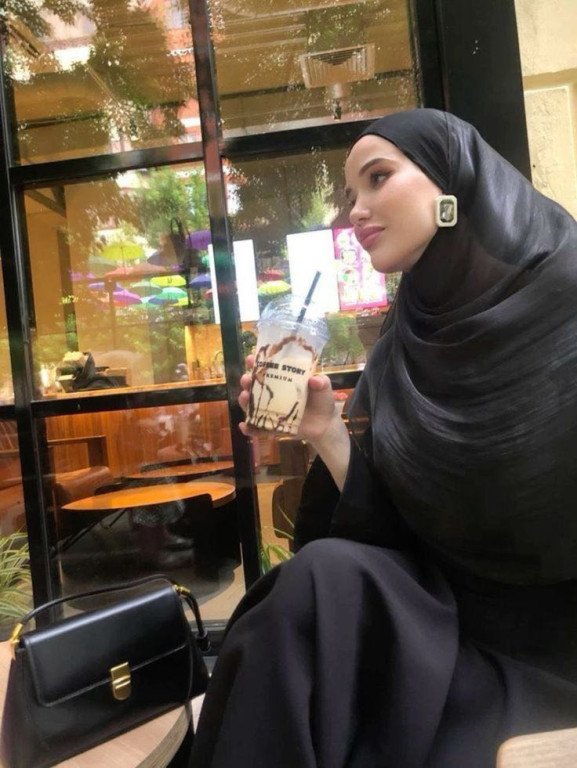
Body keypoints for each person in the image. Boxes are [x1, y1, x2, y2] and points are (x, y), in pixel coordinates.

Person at [190, 109, 577, 767]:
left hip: (553, 655)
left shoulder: (563, 300)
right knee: (313, 585)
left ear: (452, 184)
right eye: (350, 194)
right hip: (439, 623)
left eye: (377, 178)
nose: (355, 212)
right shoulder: (407, 339)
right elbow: (392, 536)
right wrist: (325, 432)